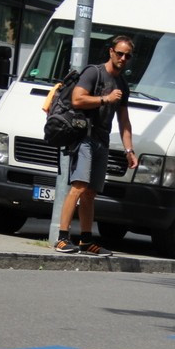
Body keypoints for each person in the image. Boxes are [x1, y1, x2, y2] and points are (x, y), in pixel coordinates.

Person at [54, 35, 137, 256]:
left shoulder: (122, 85)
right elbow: (77, 99)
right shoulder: (94, 72)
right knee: (79, 186)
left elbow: (124, 121)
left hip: (102, 139)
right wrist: (105, 99)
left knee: (91, 193)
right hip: (84, 136)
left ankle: (86, 241)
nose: (123, 58)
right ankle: (62, 238)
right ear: (111, 52)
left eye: (127, 56)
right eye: (119, 53)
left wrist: (129, 150)